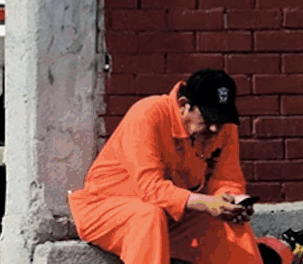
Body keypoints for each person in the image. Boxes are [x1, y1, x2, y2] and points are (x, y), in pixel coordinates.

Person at [68, 68, 264, 264]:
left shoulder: (223, 128)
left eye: (221, 120)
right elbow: (150, 188)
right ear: (184, 105)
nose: (215, 129)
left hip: (172, 216)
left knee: (229, 222)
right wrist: (207, 203)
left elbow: (227, 179)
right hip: (106, 209)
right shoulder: (148, 114)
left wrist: (230, 201)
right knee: (149, 215)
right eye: (208, 119)